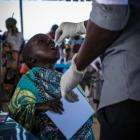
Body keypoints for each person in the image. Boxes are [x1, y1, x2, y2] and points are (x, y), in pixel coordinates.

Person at [55, 0, 140, 139]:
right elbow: (117, 13)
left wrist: (76, 67)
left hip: (129, 93)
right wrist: (81, 26)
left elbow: (110, 16)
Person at [9, 34, 94, 140]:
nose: (51, 41)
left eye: (50, 40)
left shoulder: (64, 77)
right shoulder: (29, 80)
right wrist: (39, 107)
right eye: (42, 41)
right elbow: (15, 114)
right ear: (31, 59)